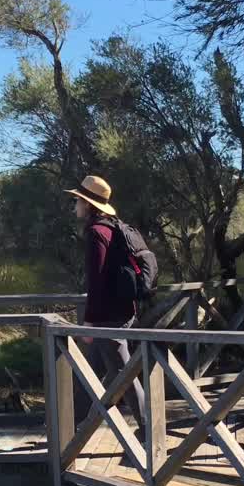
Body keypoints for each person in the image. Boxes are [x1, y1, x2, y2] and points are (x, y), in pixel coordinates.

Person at [66, 175, 146, 428]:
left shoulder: (96, 232)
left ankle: (150, 430)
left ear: (88, 204)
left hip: (108, 316)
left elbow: (96, 281)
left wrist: (89, 321)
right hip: (125, 310)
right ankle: (71, 426)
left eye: (77, 201)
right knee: (94, 370)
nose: (74, 206)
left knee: (123, 376)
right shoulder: (114, 227)